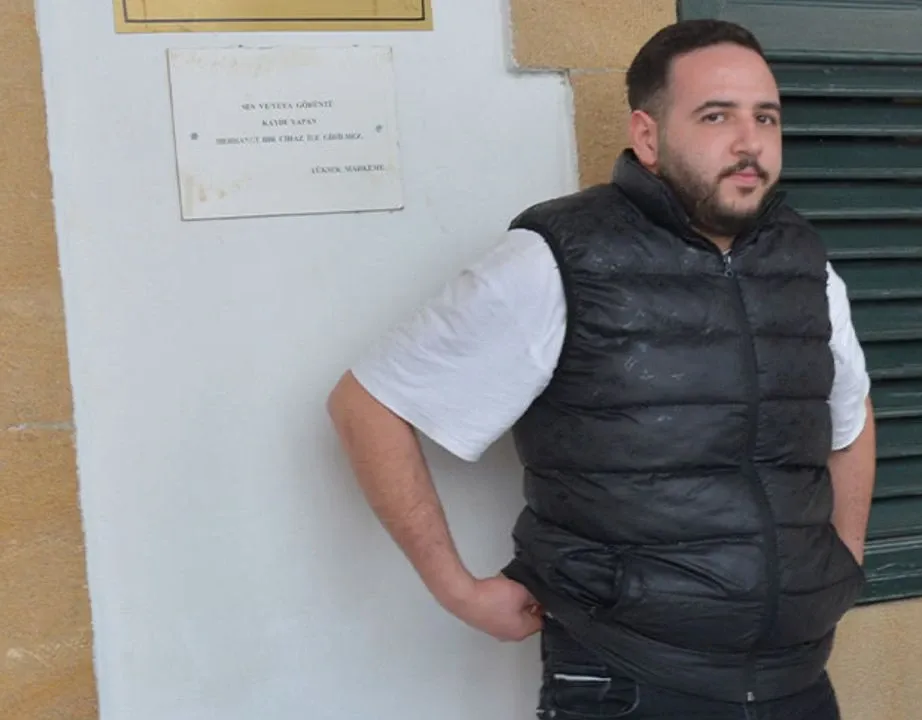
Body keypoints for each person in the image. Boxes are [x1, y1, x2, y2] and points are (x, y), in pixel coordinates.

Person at [326, 18, 876, 720]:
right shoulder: (560, 258)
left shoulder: (803, 263)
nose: (749, 142)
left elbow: (850, 416)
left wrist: (842, 559)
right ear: (647, 136)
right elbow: (369, 404)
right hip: (630, 681)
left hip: (796, 682)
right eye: (716, 116)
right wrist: (458, 590)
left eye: (764, 117)